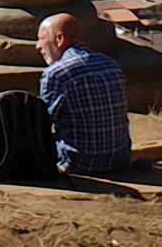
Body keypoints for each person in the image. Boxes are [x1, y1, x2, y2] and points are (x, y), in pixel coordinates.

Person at [37, 13, 131, 173]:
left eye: (41, 38)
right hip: (120, 159)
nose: (37, 46)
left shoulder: (56, 74)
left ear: (59, 39)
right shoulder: (110, 63)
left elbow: (41, 125)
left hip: (78, 163)